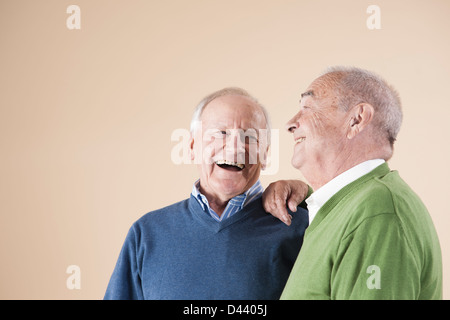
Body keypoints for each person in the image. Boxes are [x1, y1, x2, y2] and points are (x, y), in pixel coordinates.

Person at [104, 87, 309, 300]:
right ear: (192, 147)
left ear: (265, 155)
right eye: (221, 133)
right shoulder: (147, 233)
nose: (234, 147)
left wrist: (307, 194)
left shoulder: (300, 227)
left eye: (249, 137)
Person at [270, 66, 442, 299]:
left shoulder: (376, 212)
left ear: (356, 119)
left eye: (307, 108)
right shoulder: (356, 207)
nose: (291, 123)